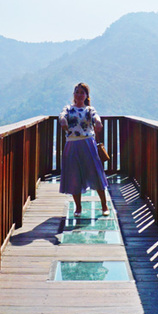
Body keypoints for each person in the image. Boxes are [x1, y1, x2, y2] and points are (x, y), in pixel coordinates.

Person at [58, 82, 109, 217]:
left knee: (96, 173)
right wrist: (63, 120)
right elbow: (62, 115)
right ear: (73, 94)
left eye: (82, 92)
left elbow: (95, 116)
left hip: (88, 144)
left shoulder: (89, 109)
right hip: (72, 144)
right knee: (74, 176)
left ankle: (104, 205)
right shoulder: (68, 109)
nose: (79, 94)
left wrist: (98, 122)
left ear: (86, 95)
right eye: (77, 92)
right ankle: (78, 207)